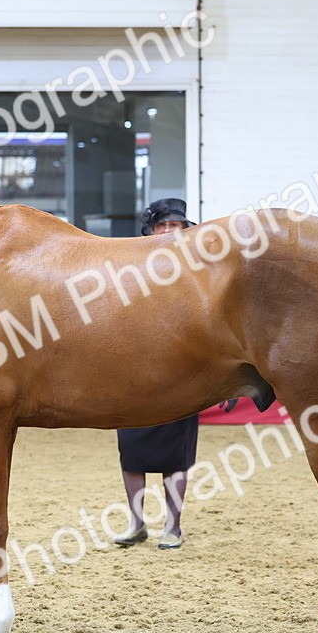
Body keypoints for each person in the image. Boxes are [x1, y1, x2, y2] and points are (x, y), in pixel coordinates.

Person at [114, 198, 199, 550]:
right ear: (150, 231)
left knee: (175, 458)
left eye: (175, 226)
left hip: (181, 374)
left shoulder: (200, 273)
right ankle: (136, 523)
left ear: (185, 230)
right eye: (163, 225)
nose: (168, 231)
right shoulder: (128, 270)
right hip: (134, 373)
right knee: (131, 454)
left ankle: (173, 526)